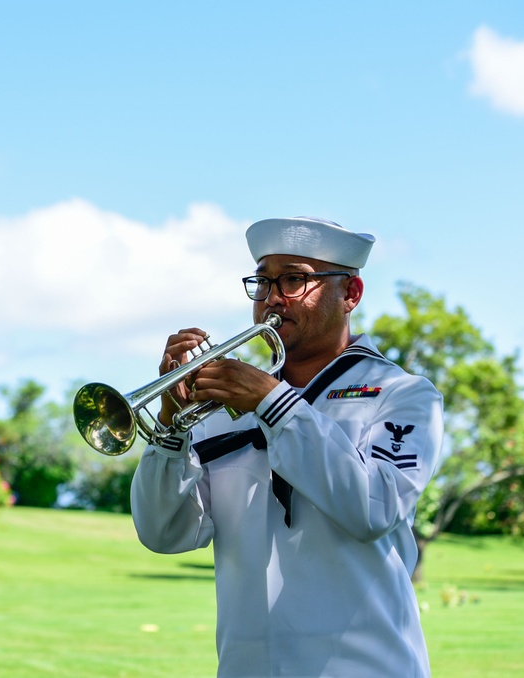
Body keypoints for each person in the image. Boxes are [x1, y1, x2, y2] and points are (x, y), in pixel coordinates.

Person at [130, 217, 445, 678]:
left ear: (351, 293)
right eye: (263, 281)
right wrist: (169, 429)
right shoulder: (227, 406)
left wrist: (273, 404)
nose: (273, 297)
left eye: (295, 279)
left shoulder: (403, 394)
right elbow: (166, 534)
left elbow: (374, 510)